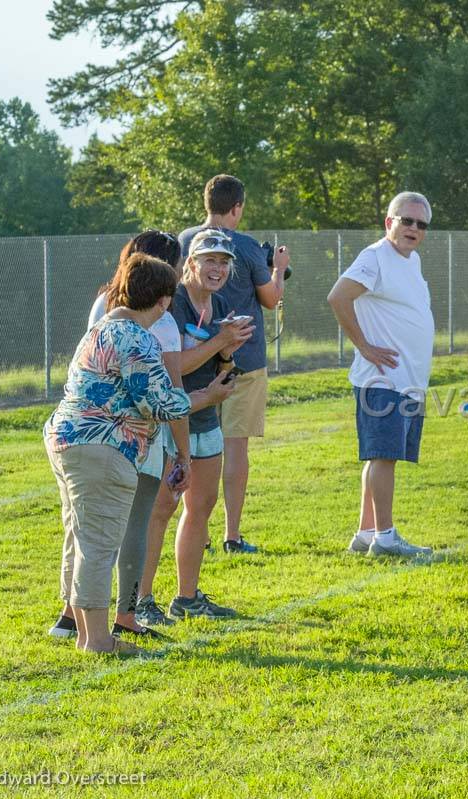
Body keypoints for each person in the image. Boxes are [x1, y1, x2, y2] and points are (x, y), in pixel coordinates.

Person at [48, 232, 234, 640]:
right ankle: (97, 639)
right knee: (99, 543)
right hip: (102, 447)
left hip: (67, 438)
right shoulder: (139, 339)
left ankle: (75, 628)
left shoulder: (103, 325)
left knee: (81, 537)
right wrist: (209, 395)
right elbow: (160, 404)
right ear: (163, 298)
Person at [179, 174, 290, 553]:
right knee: (235, 446)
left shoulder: (185, 239)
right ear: (237, 207)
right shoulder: (244, 245)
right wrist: (278, 268)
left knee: (198, 445)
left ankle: (198, 531)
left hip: (195, 358)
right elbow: (271, 299)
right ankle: (232, 534)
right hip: (243, 357)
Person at [328, 191, 437, 558]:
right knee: (383, 456)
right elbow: (338, 297)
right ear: (389, 222)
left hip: (406, 380)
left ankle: (367, 532)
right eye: (406, 221)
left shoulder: (412, 260)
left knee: (381, 456)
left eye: (421, 224)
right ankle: (386, 536)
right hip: (382, 379)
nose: (414, 229)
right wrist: (364, 347)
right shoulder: (375, 257)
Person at [166, 230, 256, 619]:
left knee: (201, 504)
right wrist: (219, 341)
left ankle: (187, 598)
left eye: (224, 262)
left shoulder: (218, 304)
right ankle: (141, 603)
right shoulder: (174, 305)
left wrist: (228, 358)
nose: (217, 269)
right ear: (191, 263)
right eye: (210, 260)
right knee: (160, 511)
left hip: (206, 416)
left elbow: (213, 364)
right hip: (169, 420)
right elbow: (175, 366)